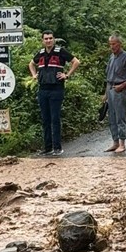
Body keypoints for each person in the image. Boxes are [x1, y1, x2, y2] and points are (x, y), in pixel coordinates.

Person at [29, 29, 80, 157]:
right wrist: (34, 75)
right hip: (43, 89)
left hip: (56, 89)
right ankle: (48, 148)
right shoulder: (40, 53)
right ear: (42, 40)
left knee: (55, 118)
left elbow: (76, 62)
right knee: (45, 119)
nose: (48, 40)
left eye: (50, 38)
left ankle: (57, 147)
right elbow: (31, 64)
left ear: (54, 39)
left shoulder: (60, 51)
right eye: (46, 39)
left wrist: (67, 75)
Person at [104, 33, 126, 154]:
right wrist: (106, 94)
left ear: (119, 44)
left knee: (120, 117)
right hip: (110, 88)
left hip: (120, 89)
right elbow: (108, 76)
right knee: (111, 117)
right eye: (110, 44)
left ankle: (122, 143)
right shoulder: (111, 57)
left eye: (114, 44)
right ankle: (115, 142)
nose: (112, 46)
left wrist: (122, 86)